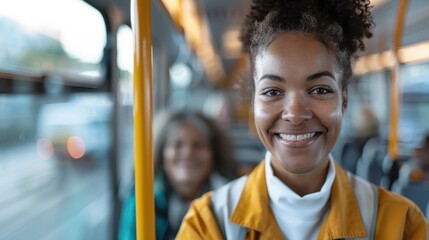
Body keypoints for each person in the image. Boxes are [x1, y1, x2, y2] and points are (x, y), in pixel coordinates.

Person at [176, 0, 429, 239]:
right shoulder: (208, 224)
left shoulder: (401, 224)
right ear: (253, 103)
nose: (295, 114)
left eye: (320, 90)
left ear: (344, 99)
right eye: (272, 92)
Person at [118, 110, 237, 240]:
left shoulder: (233, 198)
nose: (188, 153)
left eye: (198, 145)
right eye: (177, 144)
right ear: (161, 154)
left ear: (214, 154)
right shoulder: (141, 203)